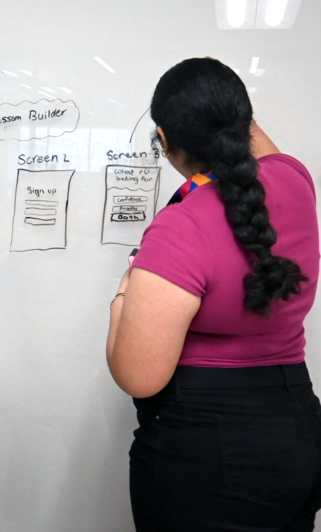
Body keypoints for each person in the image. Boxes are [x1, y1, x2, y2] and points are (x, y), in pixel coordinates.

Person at [106, 57, 321, 531]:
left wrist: (123, 294)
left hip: (207, 458)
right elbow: (256, 144)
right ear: (244, 118)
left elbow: (138, 377)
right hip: (297, 432)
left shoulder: (180, 227)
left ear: (164, 140)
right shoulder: (295, 181)